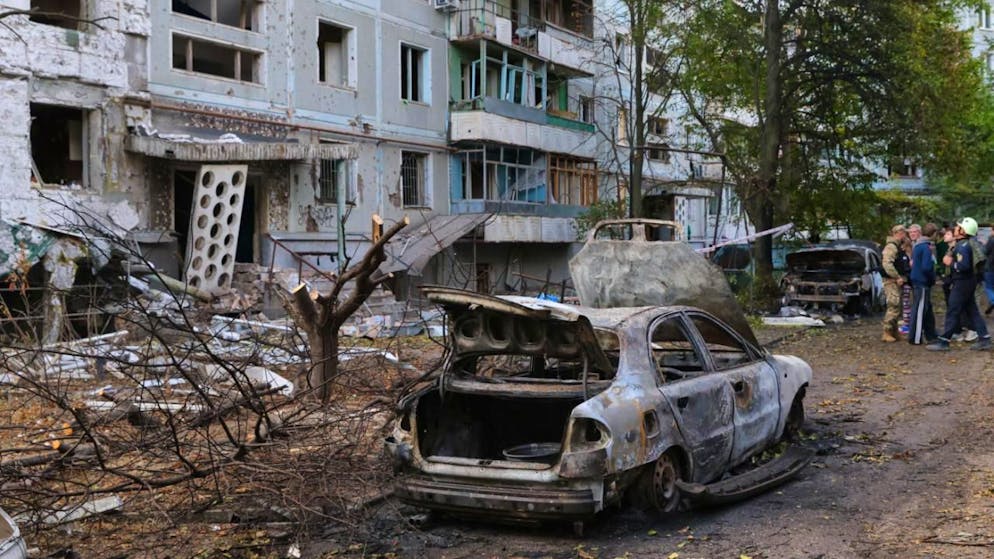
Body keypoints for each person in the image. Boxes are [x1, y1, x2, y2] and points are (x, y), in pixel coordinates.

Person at [928, 217, 991, 351]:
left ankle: (944, 341)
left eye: (958, 227)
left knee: (953, 310)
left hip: (963, 282)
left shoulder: (962, 246)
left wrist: (950, 263)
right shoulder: (964, 244)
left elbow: (964, 266)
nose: (955, 228)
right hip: (967, 281)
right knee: (972, 310)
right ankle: (984, 338)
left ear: (963, 231)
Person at [908, 223, 937, 344]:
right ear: (933, 234)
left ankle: (931, 334)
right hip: (922, 281)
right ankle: (915, 337)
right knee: (919, 309)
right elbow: (926, 267)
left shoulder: (918, 246)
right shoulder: (926, 247)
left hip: (917, 280)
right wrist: (932, 278)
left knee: (927, 309)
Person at [881, 225, 911, 342]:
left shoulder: (897, 247)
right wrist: (897, 276)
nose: (905, 236)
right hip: (891, 281)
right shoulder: (891, 247)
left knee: (897, 306)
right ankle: (887, 331)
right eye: (904, 233)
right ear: (899, 233)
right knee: (893, 304)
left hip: (896, 280)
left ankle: (894, 331)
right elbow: (887, 264)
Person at [984, 234, 994, 315]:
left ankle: (993, 301)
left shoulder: (991, 240)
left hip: (990, 267)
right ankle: (990, 305)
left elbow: (985, 251)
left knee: (988, 287)